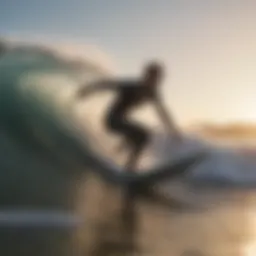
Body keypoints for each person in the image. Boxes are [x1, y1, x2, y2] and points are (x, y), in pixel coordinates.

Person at [76, 61, 181, 171]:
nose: (156, 80)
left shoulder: (153, 93)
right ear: (147, 76)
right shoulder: (131, 86)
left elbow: (162, 112)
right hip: (111, 120)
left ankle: (114, 157)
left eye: (159, 78)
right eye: (154, 77)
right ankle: (129, 167)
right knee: (143, 135)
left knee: (139, 136)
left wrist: (173, 130)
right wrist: (87, 90)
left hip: (123, 121)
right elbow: (107, 84)